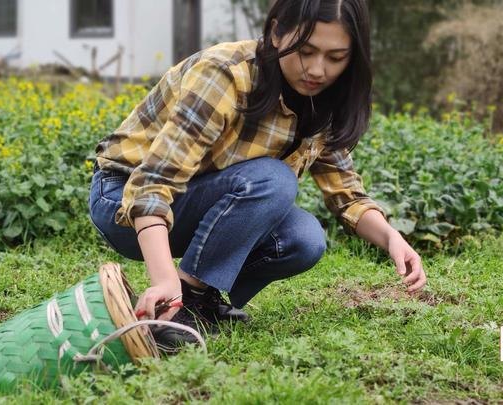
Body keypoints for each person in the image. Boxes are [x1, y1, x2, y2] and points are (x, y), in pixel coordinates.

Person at [88, 0, 426, 354]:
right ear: (277, 31)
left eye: (336, 57)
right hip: (122, 200)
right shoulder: (225, 73)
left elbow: (346, 194)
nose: (317, 69)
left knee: (303, 239)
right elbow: (152, 184)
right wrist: (164, 279)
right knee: (273, 179)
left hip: (198, 207)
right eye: (306, 50)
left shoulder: (325, 100)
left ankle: (198, 301)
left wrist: (392, 238)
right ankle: (182, 301)